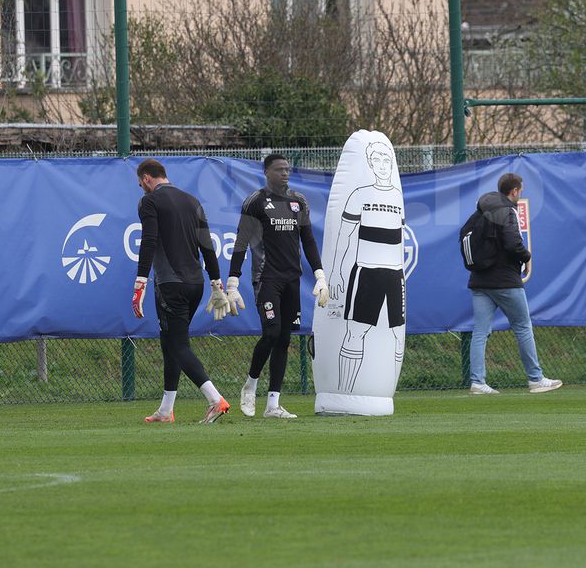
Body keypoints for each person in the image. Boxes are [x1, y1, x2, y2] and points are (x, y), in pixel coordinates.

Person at [131, 158, 233, 424]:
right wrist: (216, 283)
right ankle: (166, 410)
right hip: (195, 284)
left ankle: (214, 399)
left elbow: (149, 240)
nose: (141, 187)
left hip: (170, 284)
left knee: (178, 345)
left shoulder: (149, 201)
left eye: (140, 183)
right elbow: (207, 245)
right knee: (170, 343)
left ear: (146, 179)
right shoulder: (192, 201)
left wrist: (140, 282)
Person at [226, 154, 327, 419]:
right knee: (270, 334)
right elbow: (241, 242)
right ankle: (250, 385)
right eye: (279, 169)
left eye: (287, 169)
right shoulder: (256, 202)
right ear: (266, 172)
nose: (285, 173)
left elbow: (308, 240)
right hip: (266, 278)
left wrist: (320, 275)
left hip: (291, 280)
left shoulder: (298, 201)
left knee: (284, 339)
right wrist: (233, 281)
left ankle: (273, 404)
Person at [467, 172, 562, 395]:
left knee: (480, 333)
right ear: (515, 191)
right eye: (521, 191)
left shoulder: (481, 210)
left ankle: (477, 382)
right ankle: (536, 379)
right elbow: (512, 243)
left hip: (480, 280)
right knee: (522, 327)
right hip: (505, 280)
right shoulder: (507, 210)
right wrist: (527, 256)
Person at [328, 141, 407, 392]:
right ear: (370, 164)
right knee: (356, 331)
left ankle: (386, 393)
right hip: (366, 272)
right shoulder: (359, 194)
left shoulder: (396, 195)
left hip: (395, 275)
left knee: (396, 334)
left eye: (387, 160)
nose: (383, 166)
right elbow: (344, 234)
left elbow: (401, 236)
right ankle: (346, 392)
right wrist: (339, 271)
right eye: (378, 161)